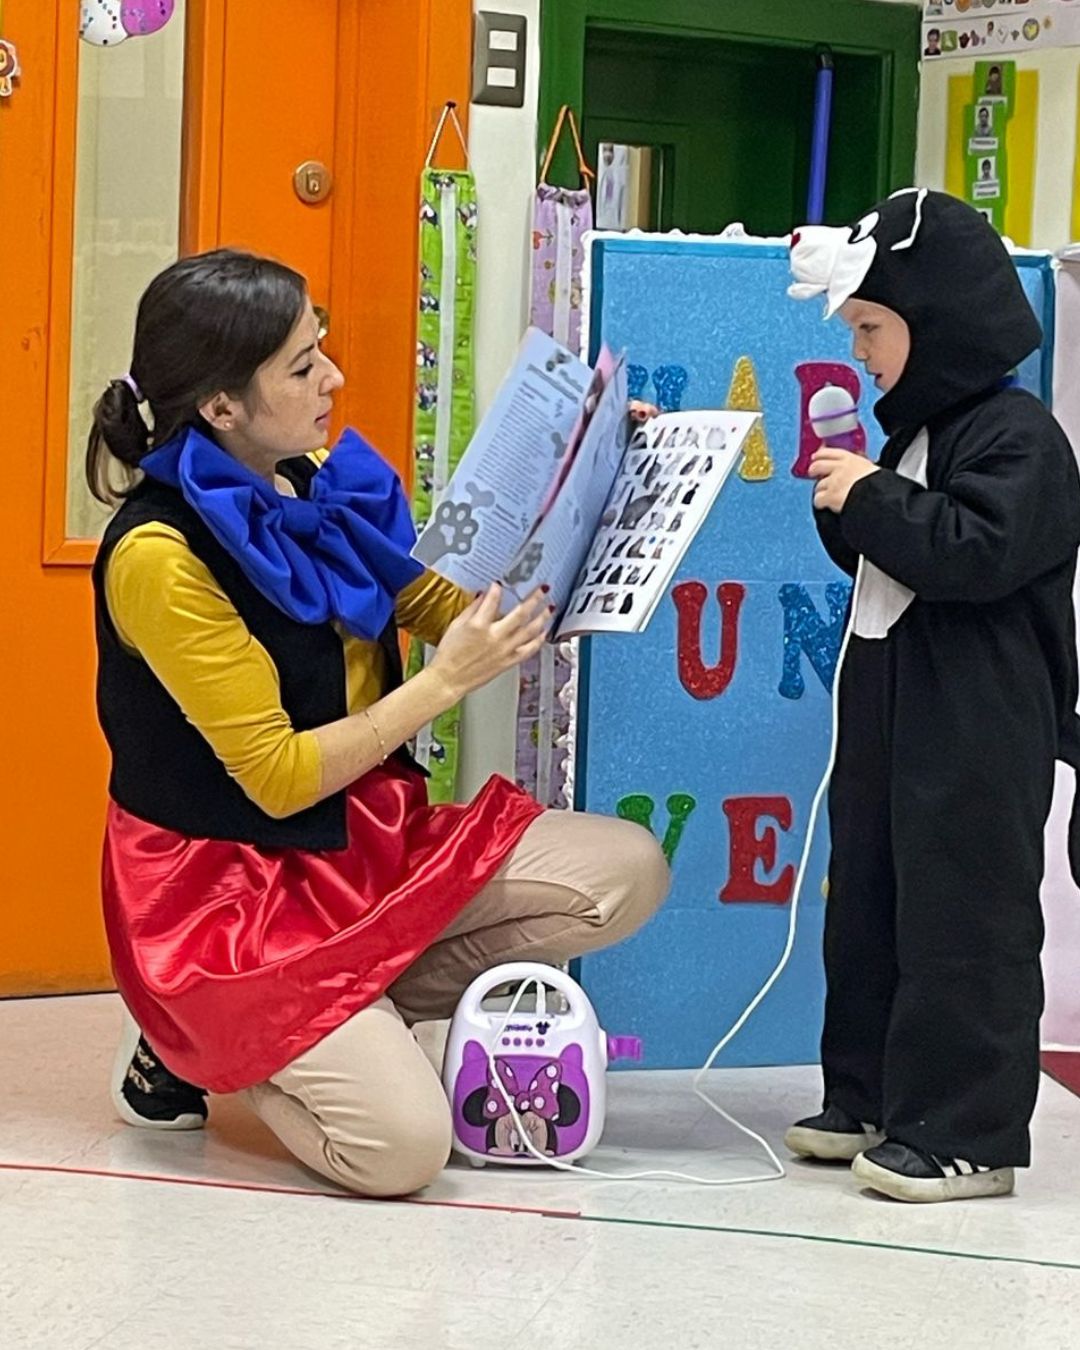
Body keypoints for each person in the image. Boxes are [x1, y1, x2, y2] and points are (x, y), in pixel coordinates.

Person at [88, 249, 670, 1197]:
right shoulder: (158, 555)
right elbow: (278, 778)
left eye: (321, 348)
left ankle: (338, 1016)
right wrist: (443, 686)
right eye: (302, 366)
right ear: (222, 406)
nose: (334, 378)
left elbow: (450, 606)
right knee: (401, 1151)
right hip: (224, 898)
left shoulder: (306, 476)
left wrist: (598, 476)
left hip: (360, 842)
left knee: (626, 870)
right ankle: (190, 1039)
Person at [786, 190, 1080, 1202]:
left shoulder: (1020, 437)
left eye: (872, 327)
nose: (860, 350)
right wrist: (851, 508)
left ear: (937, 323)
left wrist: (873, 497)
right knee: (870, 905)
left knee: (964, 919)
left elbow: (975, 551)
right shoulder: (919, 434)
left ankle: (965, 1131)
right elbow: (897, 558)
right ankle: (870, 1093)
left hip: (976, 727)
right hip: (894, 711)